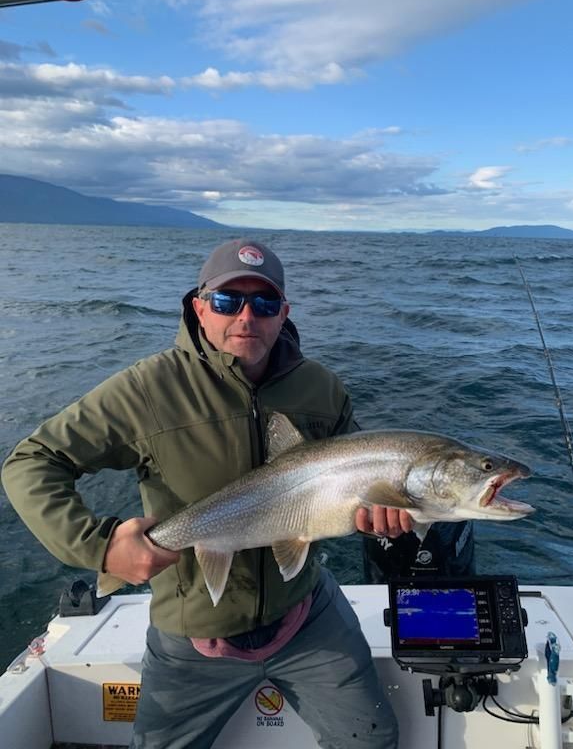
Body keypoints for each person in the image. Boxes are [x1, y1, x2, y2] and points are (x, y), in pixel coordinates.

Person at [2, 237, 405, 749]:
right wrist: (100, 546)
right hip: (194, 633)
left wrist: (379, 515)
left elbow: (354, 481)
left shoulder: (322, 389)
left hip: (307, 614)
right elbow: (32, 460)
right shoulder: (148, 390)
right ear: (199, 307)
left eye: (264, 303)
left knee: (372, 740)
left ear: (284, 313)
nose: (246, 316)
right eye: (227, 300)